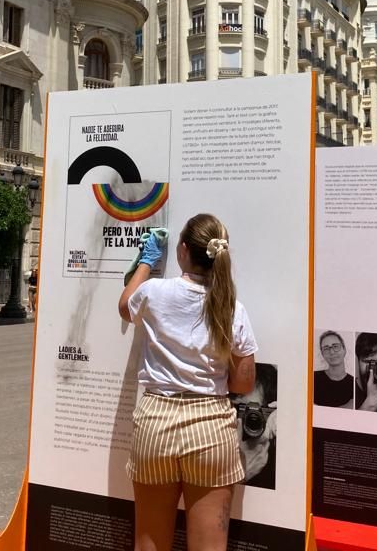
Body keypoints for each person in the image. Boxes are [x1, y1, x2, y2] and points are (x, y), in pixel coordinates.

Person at [118, 214, 258, 551]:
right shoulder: (231, 308)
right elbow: (242, 384)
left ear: (182, 250)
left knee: (149, 541)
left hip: (155, 421)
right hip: (210, 427)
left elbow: (125, 306)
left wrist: (148, 262)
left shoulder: (153, 292)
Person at [313, 331, 355, 407]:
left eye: (335, 346)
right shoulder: (312, 377)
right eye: (326, 348)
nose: (331, 352)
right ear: (322, 354)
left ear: (344, 350)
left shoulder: (354, 384)